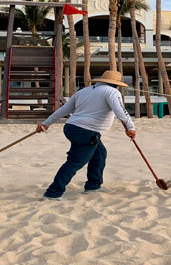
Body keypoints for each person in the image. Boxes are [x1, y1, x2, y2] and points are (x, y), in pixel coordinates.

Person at [36, 70, 135, 201]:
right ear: (116, 84)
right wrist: (131, 128)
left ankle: (93, 185)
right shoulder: (112, 92)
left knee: (100, 154)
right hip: (86, 131)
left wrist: (46, 123)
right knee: (75, 161)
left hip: (71, 128)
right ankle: (53, 193)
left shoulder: (83, 91)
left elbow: (64, 109)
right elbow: (121, 111)